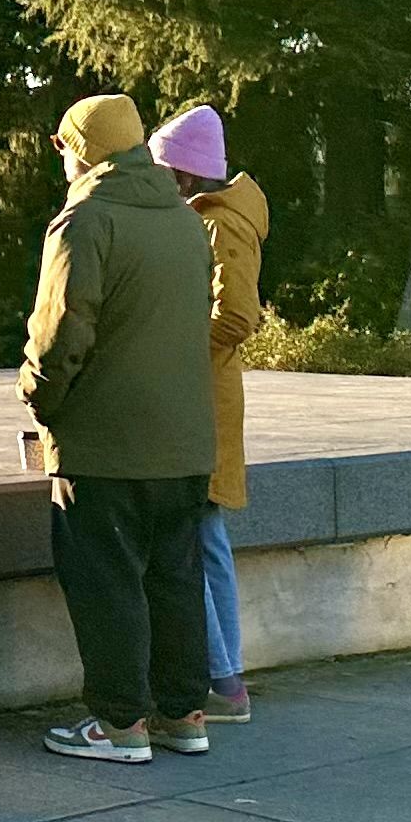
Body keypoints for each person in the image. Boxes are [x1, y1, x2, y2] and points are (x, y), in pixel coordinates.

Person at [17, 94, 217, 763]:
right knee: (174, 581)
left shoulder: (85, 220)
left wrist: (36, 398)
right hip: (185, 443)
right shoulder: (185, 222)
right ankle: (183, 715)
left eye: (64, 146)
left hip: (105, 444)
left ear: (82, 147)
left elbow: (60, 332)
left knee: (106, 583)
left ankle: (118, 725)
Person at [154, 102, 266, 721]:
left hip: (201, 399)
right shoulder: (214, 217)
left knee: (189, 540)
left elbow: (236, 315)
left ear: (185, 176)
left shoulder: (220, 225)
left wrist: (167, 350)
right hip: (207, 396)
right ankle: (227, 678)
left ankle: (222, 683)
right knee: (207, 537)